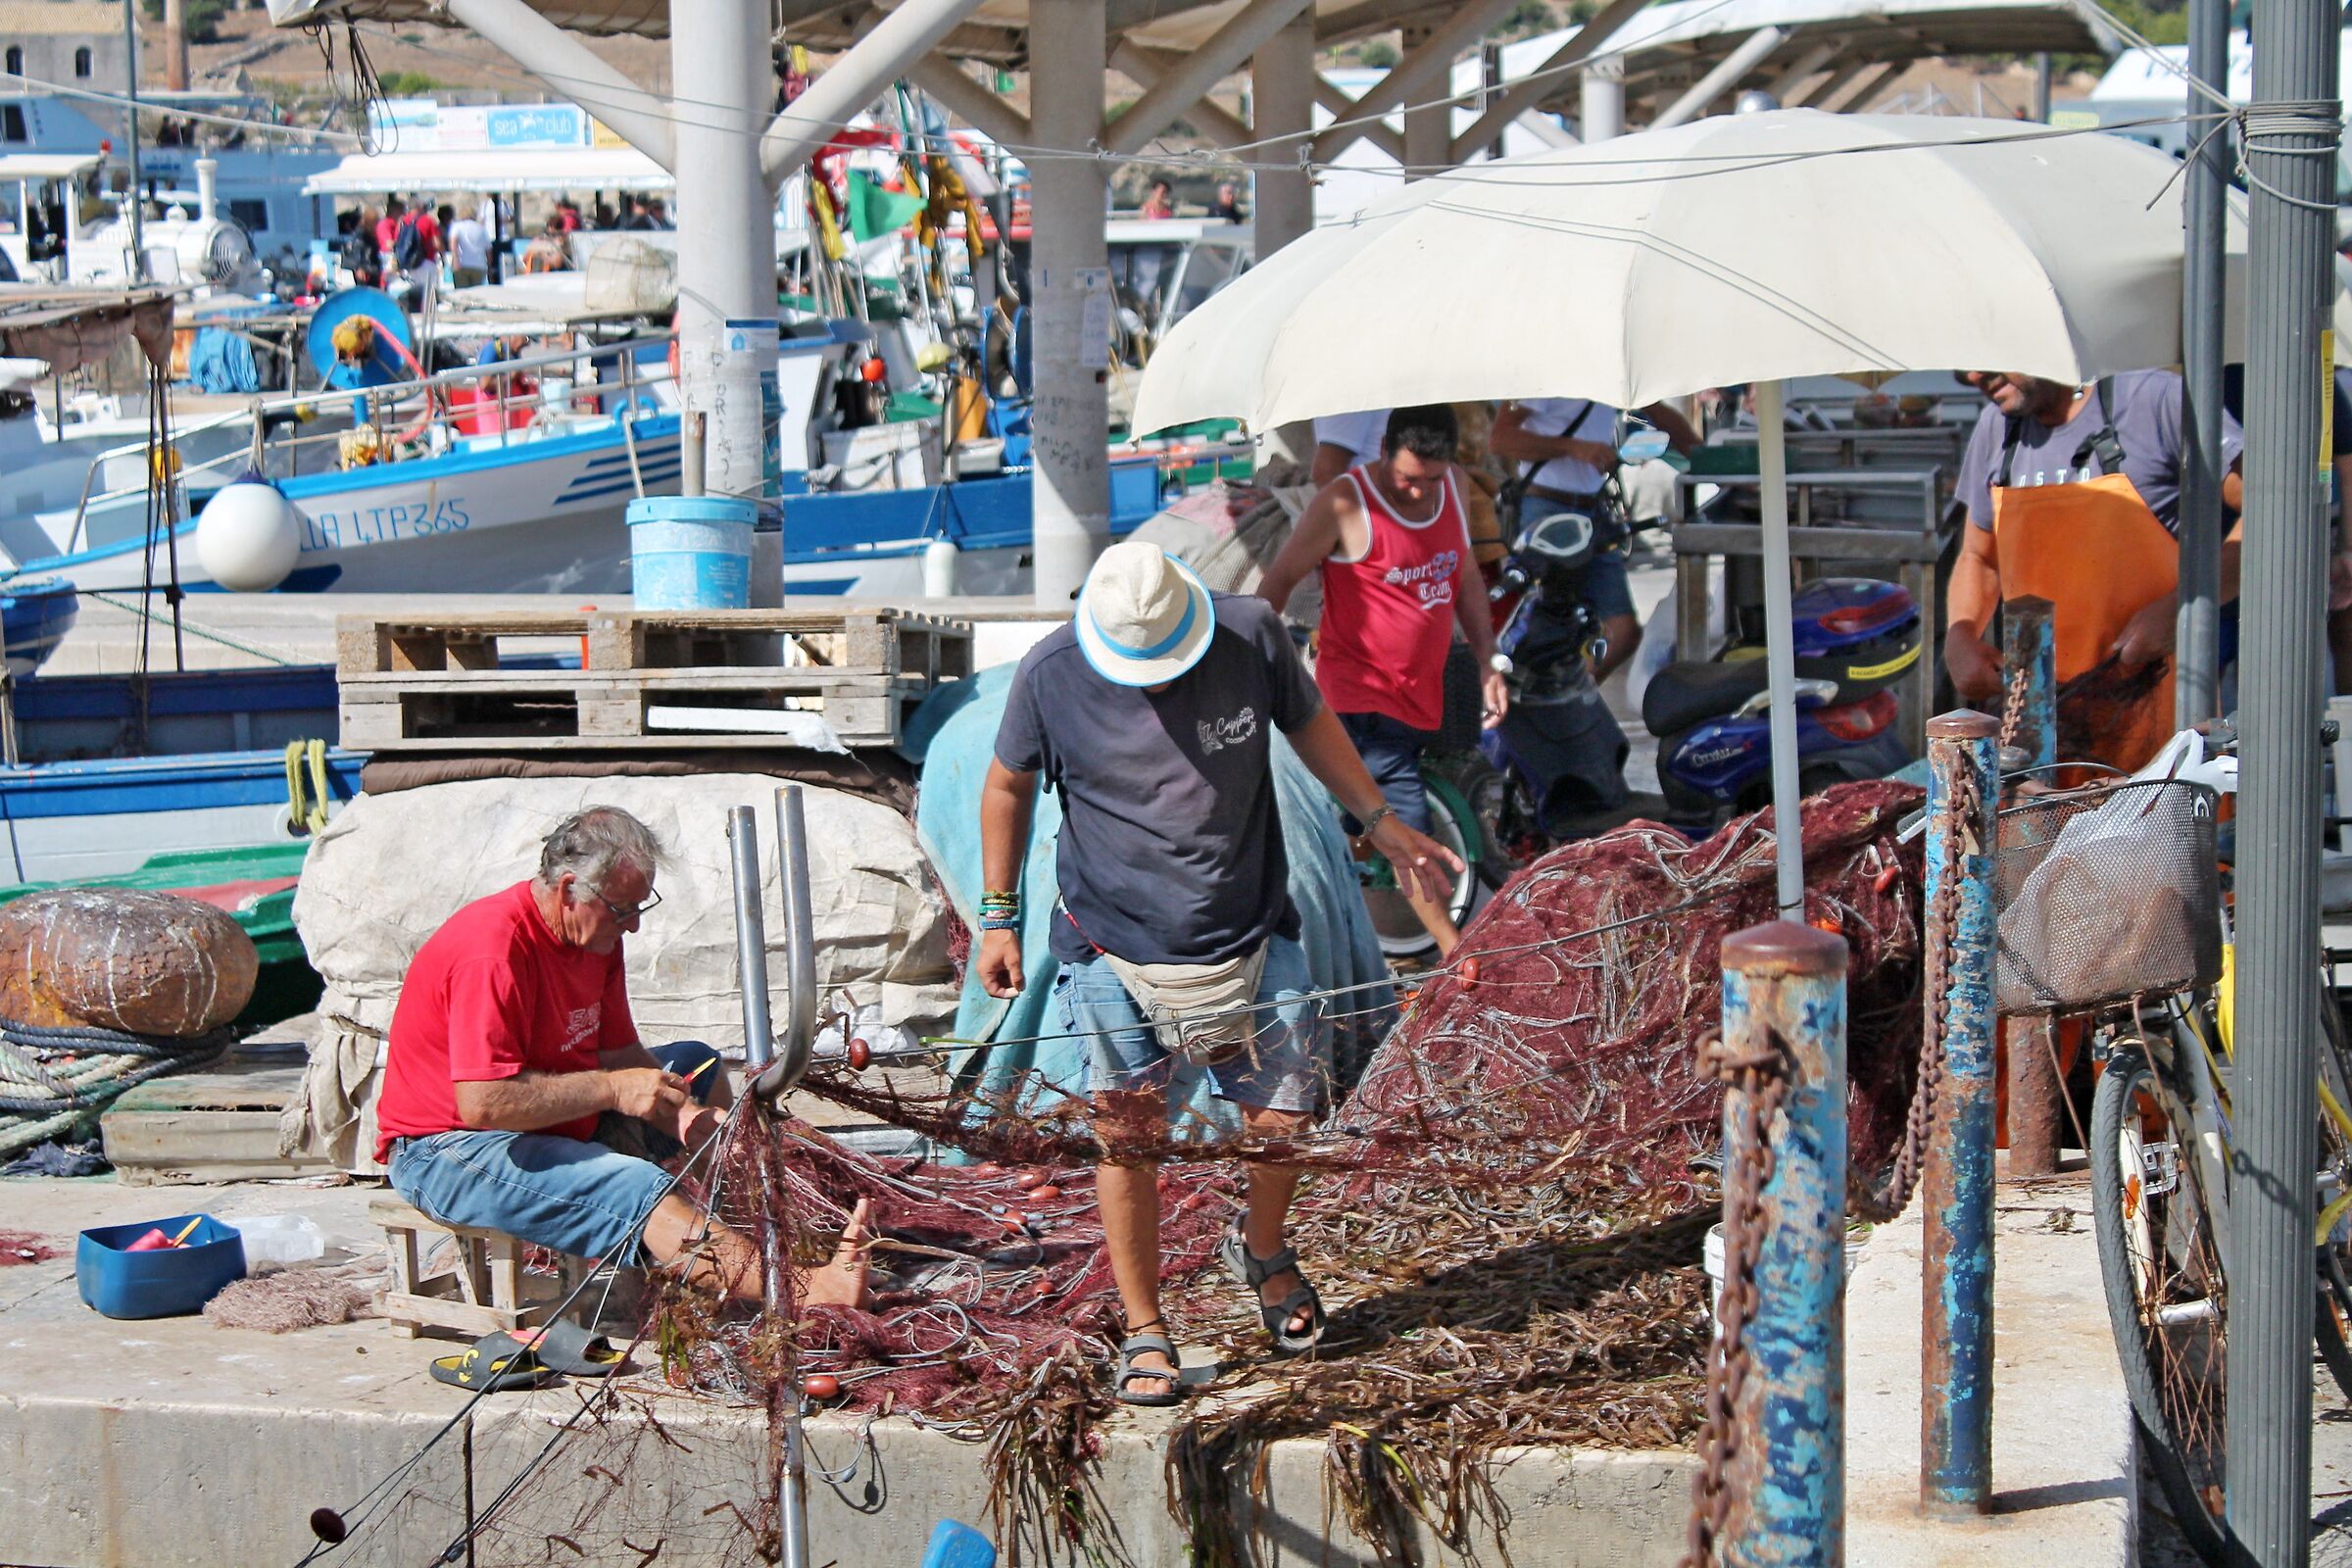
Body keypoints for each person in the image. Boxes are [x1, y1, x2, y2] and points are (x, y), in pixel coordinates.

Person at [979, 542, 1458, 1402]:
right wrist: (999, 917)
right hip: (1112, 939)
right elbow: (1006, 787)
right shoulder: (1050, 675)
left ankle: (1265, 1250)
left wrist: (1380, 820)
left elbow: (1311, 722)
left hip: (1248, 923)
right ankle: (1145, 1326)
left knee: (1284, 1117)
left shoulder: (1253, 635)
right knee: (1129, 1138)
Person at [375, 808, 872, 1306]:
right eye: (621, 910)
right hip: (448, 1151)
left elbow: (618, 1052)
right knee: (634, 1186)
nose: (632, 926)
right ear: (569, 890)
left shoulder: (594, 937)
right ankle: (807, 1291)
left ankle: (753, 1242)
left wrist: (684, 1113)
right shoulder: (492, 951)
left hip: (543, 1120)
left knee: (696, 1064)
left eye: (639, 907)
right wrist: (614, 1089)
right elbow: (484, 1105)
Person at [1258, 405, 1504, 956]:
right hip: (1358, 701)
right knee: (1402, 827)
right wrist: (1249, 656)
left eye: (1432, 480)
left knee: (1352, 827)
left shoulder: (1456, 487)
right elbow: (1279, 580)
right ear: (1384, 453)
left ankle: (1338, 913)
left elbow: (1464, 575)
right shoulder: (1345, 503)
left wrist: (1489, 660)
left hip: (1424, 692)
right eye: (1408, 479)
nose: (1420, 493)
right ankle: (1453, 956)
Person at [1945, 370, 2243, 769]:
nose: (1973, 374)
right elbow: (1979, 558)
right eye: (1962, 366)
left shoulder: (2153, 400)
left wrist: (2186, 606)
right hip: (2042, 736)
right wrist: (1961, 634)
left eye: (1985, 353)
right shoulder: (1995, 428)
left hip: (2156, 730)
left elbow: (2272, 503)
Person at [1488, 396, 1699, 683]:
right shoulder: (1548, 379)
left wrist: (1706, 461)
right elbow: (1501, 439)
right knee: (1541, 626)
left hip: (1592, 509)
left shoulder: (1611, 379)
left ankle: (1571, 698)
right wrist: (1573, 448)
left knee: (1622, 631)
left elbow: (1662, 416)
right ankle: (1517, 697)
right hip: (1546, 508)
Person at [445, 202, 489, 288]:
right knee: (476, 295)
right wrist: (489, 266)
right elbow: (488, 249)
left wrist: (455, 260)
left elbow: (453, 243)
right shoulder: (481, 228)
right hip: (479, 265)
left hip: (462, 264)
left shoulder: (457, 226)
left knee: (462, 294)